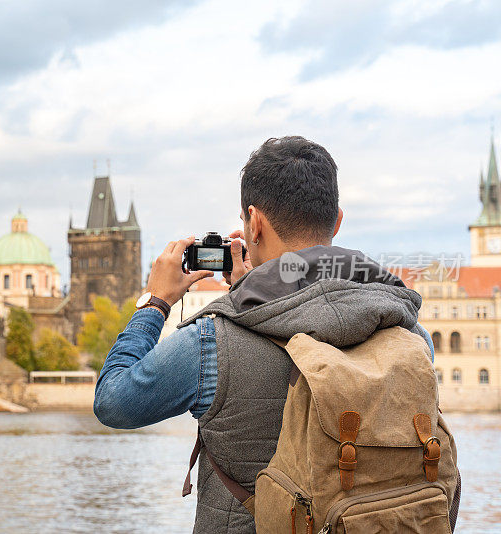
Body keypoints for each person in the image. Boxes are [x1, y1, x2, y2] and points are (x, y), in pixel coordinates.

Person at [93, 136, 436, 533]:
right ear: (337, 221)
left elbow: (113, 402)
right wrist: (252, 291)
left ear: (254, 223)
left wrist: (156, 304)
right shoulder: (408, 331)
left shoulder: (212, 342)